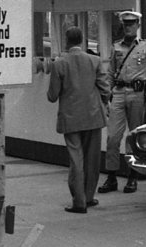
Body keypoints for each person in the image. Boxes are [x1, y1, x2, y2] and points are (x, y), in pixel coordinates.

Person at [99, 10, 146, 194]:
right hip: (118, 93)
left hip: (137, 95)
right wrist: (107, 96)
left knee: (133, 137)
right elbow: (109, 74)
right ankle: (112, 177)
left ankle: (132, 177)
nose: (129, 27)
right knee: (112, 137)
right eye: (126, 24)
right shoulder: (116, 47)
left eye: (132, 24)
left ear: (138, 26)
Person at [47, 26, 110, 213]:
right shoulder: (95, 60)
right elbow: (105, 88)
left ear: (67, 41)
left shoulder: (59, 63)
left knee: (76, 159)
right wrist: (104, 102)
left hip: (71, 118)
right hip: (93, 116)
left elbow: (52, 95)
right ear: (82, 40)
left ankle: (79, 202)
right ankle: (89, 197)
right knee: (92, 158)